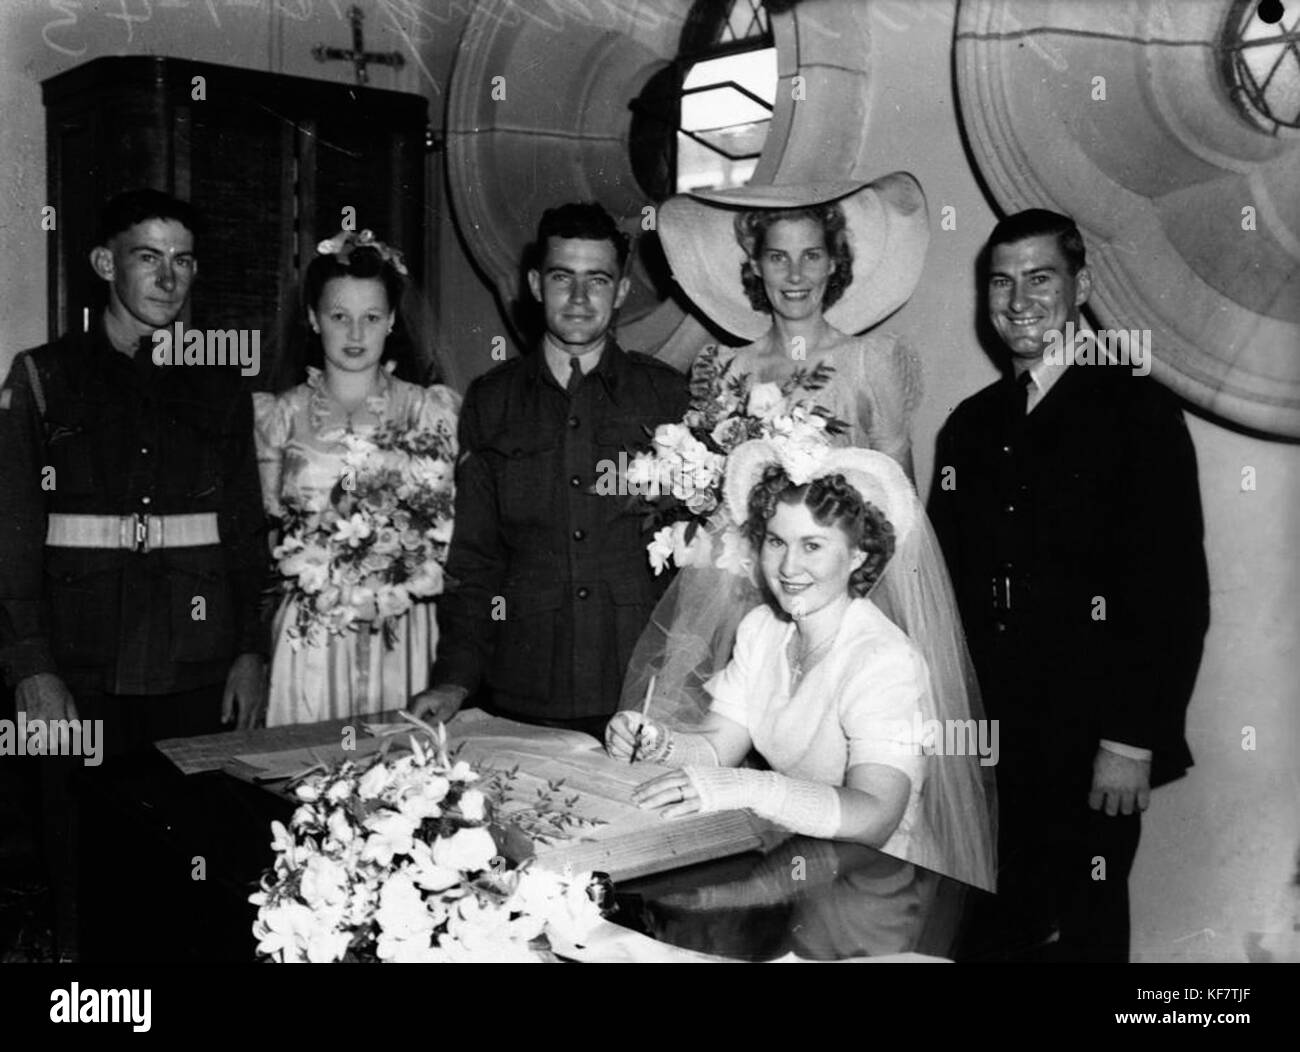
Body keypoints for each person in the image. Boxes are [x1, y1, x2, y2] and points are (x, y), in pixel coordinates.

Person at [928, 209, 1210, 961]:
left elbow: (1173, 592)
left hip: (1094, 742)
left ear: (1080, 287)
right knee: (991, 934)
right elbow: (942, 588)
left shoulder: (1138, 409)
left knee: (1083, 933)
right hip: (989, 744)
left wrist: (1130, 738)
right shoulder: (970, 426)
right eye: (1001, 281)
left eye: (1040, 278)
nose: (1018, 300)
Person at [0, 188, 269, 956]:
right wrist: (30, 669)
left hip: (196, 671)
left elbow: (244, 531)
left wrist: (251, 648)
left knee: (198, 868)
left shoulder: (218, 385)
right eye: (147, 257)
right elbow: (11, 542)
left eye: (183, 260)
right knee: (84, 867)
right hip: (82, 671)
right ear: (103, 264)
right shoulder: (45, 376)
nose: (168, 277)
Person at [607, 438, 996, 893]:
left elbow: (875, 818)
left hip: (876, 884)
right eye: (776, 541)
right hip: (797, 862)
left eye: (812, 545)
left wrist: (750, 789)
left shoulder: (882, 660)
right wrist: (659, 743)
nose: (788, 566)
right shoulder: (761, 629)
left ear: (858, 556)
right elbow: (719, 745)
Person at [621, 175, 932, 722]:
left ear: (834, 263)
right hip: (735, 597)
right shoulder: (723, 365)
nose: (795, 275)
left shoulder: (869, 361)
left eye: (811, 255)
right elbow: (715, 497)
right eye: (778, 256)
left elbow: (896, 507)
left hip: (838, 594)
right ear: (756, 265)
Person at [409, 203, 690, 739]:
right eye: (564, 278)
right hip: (524, 684)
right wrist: (454, 679)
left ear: (622, 292)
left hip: (638, 686)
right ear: (536, 284)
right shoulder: (493, 401)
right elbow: (475, 561)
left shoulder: (666, 397)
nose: (580, 299)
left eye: (598, 280)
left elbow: (692, 562)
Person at [253, 230, 461, 726]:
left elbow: (451, 528)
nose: (354, 334)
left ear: (391, 320)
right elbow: (264, 532)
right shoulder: (278, 415)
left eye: (371, 317)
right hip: (313, 628)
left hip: (403, 624)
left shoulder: (429, 409)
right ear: (312, 318)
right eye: (338, 316)